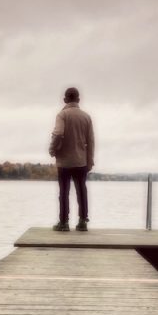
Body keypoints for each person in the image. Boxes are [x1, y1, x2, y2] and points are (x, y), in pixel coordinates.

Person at [48, 86, 94, 231]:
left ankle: (64, 223)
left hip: (64, 161)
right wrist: (90, 160)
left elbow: (58, 133)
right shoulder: (86, 117)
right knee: (81, 190)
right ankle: (82, 222)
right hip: (81, 161)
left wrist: (52, 149)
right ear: (78, 99)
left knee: (64, 192)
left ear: (65, 99)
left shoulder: (62, 115)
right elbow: (91, 141)